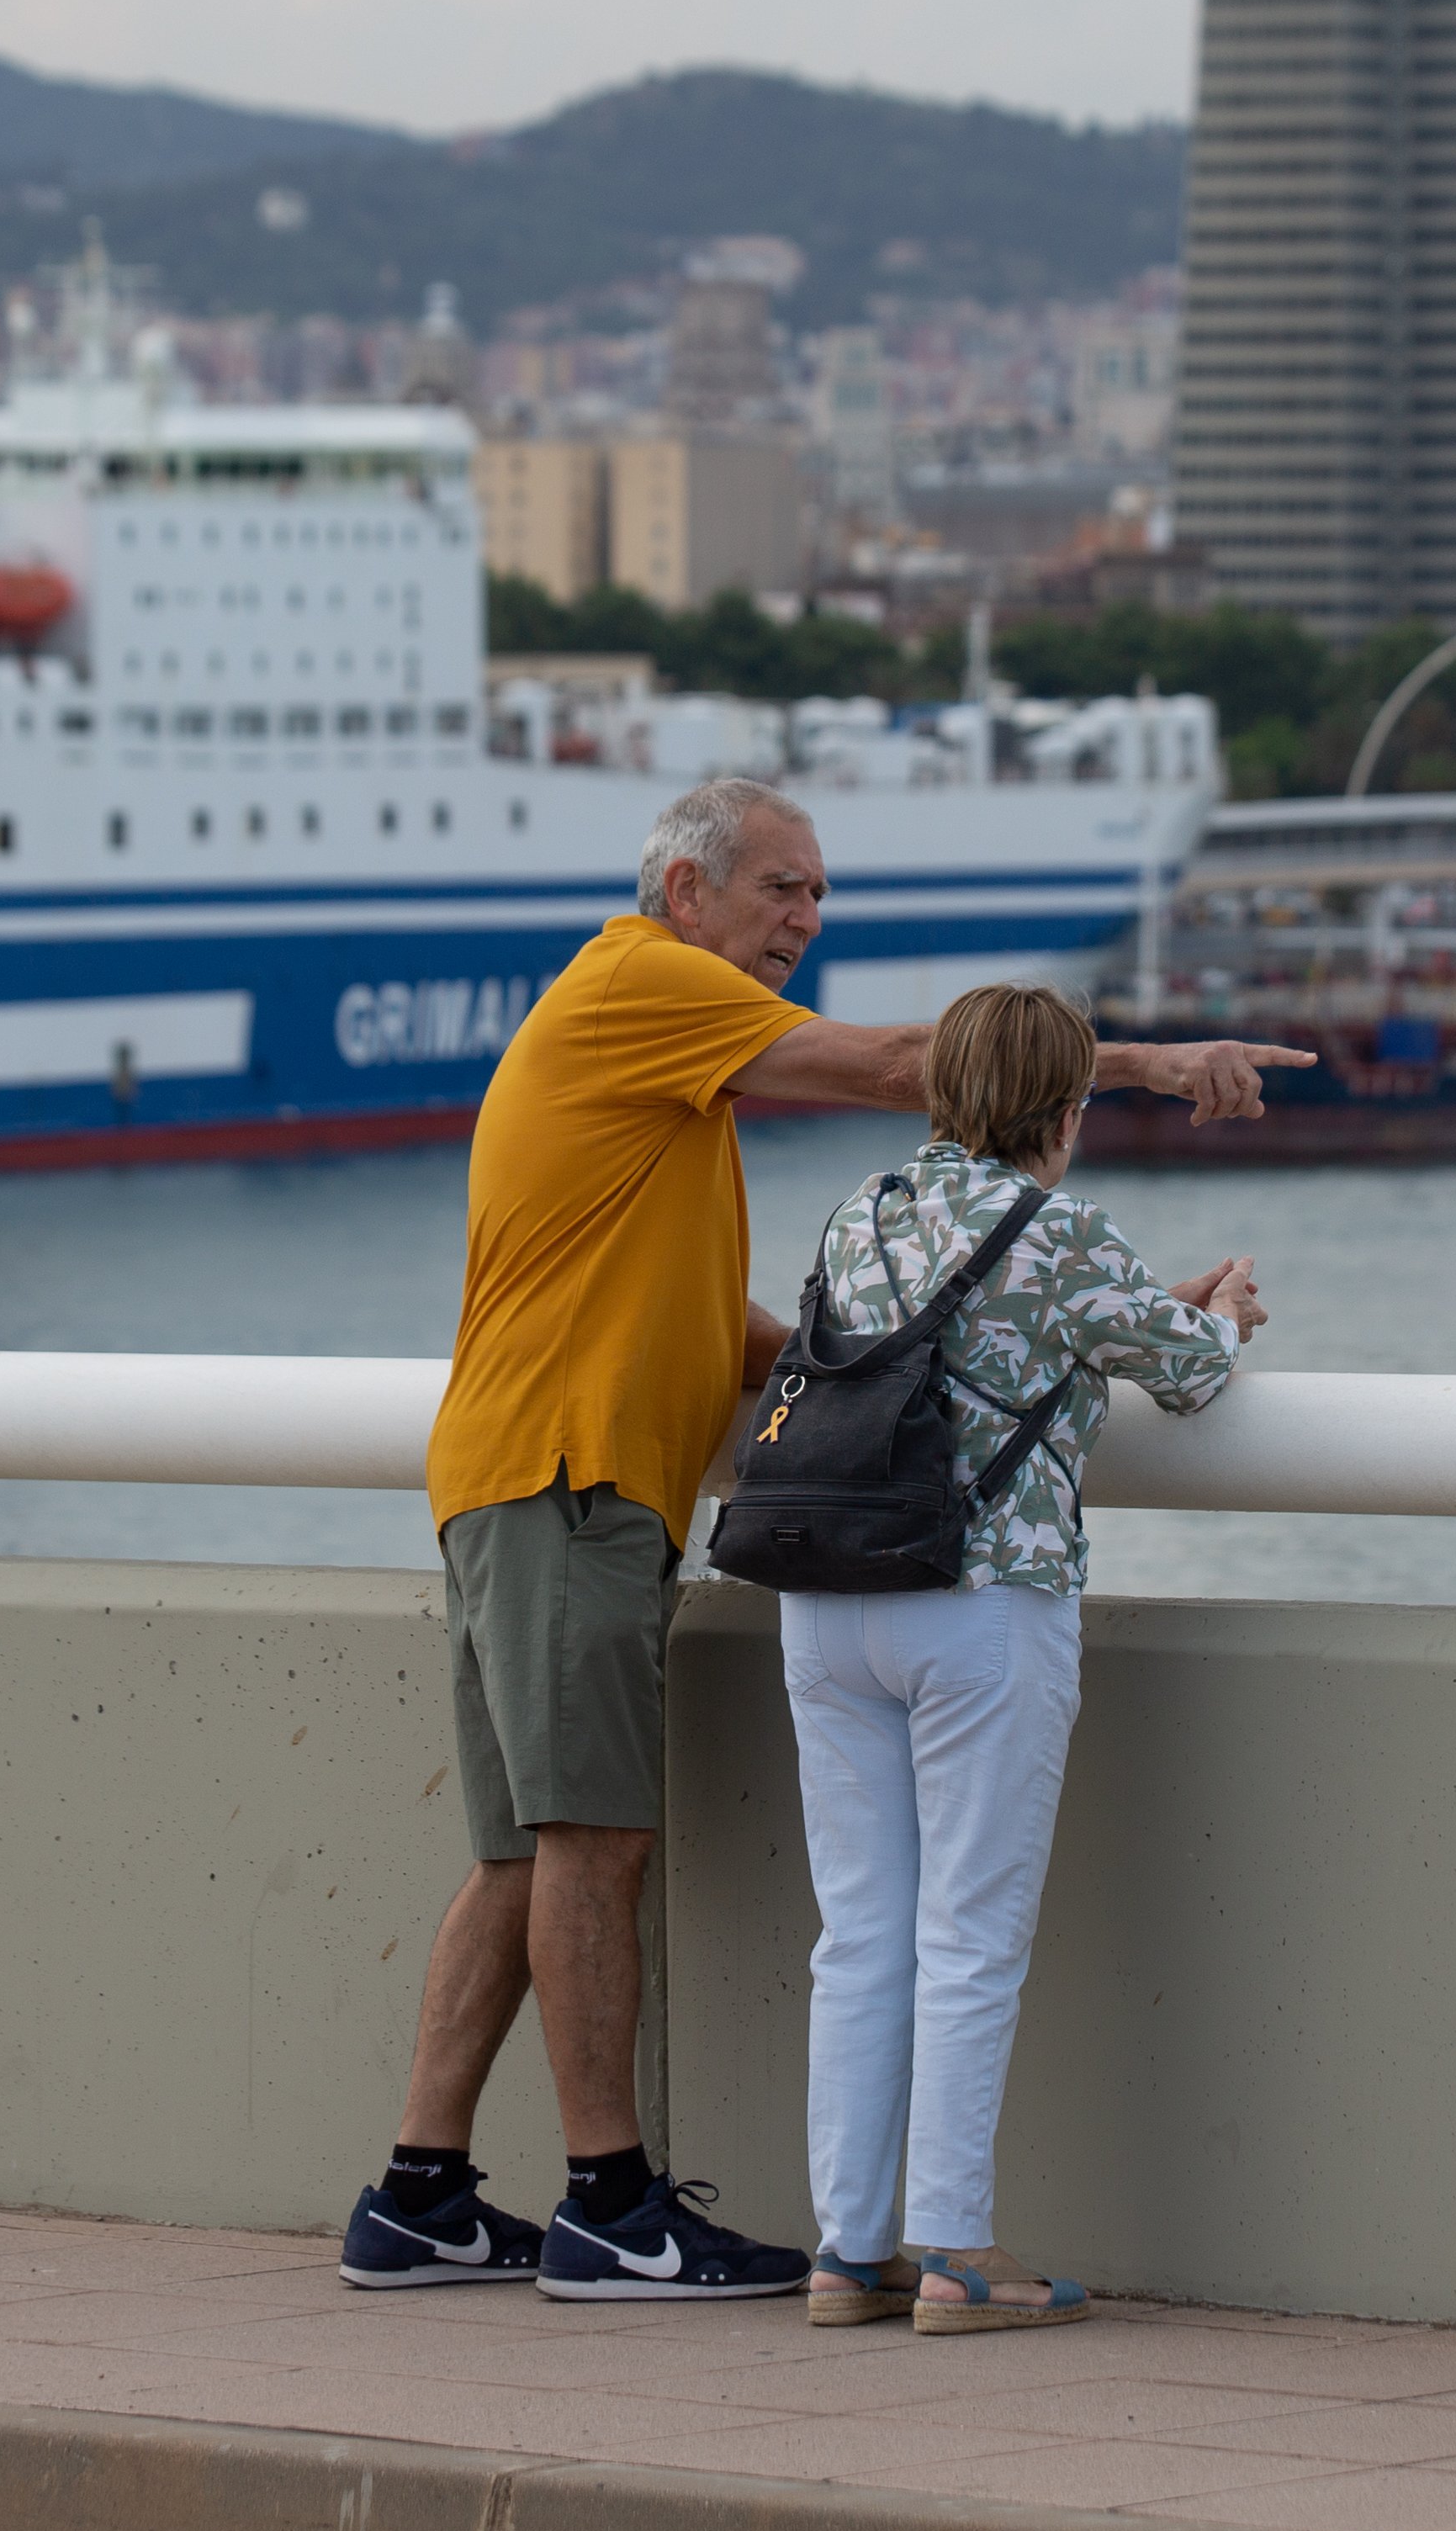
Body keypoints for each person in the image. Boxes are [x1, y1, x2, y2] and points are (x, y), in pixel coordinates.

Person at [341, 777, 1307, 2302]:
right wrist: (1151, 1060)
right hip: (574, 1476)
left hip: (525, 1472)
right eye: (779, 890)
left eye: (815, 897)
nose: (804, 921)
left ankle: (419, 2195)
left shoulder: (676, 1091)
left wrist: (894, 1385)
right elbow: (918, 1061)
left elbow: (741, 1329)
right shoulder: (643, 985)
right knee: (595, 1840)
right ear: (684, 895)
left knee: (527, 1851)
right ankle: (609, 2204)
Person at [776, 982, 1258, 2334]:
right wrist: (1223, 1312)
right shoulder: (1057, 1229)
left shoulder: (858, 1212)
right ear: (1066, 1105)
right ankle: (958, 2258)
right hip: (986, 1601)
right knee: (970, 1934)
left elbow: (945, 1341)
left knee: (861, 1933)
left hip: (829, 1595)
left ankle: (848, 2250)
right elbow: (1191, 1374)